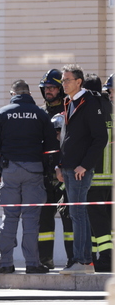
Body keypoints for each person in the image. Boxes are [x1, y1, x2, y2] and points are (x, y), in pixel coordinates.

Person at [0, 80, 58, 274]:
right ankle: (32, 263)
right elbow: (52, 144)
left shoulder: (3, 113)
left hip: (10, 170)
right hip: (34, 170)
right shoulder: (41, 114)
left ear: (13, 93)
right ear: (28, 93)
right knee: (31, 218)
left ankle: (5, 264)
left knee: (9, 218)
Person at [57, 64, 108, 275]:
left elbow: (100, 138)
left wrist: (85, 165)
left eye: (67, 80)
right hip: (68, 167)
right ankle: (80, 260)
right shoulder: (69, 101)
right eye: (62, 80)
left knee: (78, 214)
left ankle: (84, 261)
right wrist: (61, 164)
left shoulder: (89, 103)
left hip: (80, 169)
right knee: (75, 213)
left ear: (79, 82)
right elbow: (68, 138)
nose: (64, 84)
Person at [37, 69, 74, 269]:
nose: (49, 91)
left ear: (60, 89)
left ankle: (72, 259)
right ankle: (45, 260)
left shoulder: (70, 109)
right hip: (44, 173)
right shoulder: (40, 113)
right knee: (44, 219)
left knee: (68, 217)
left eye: (52, 87)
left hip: (65, 173)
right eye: (46, 88)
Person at [83, 73, 112, 272]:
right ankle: (99, 257)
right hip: (112, 180)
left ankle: (104, 258)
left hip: (94, 177)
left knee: (97, 223)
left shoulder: (89, 110)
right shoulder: (111, 108)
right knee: (109, 222)